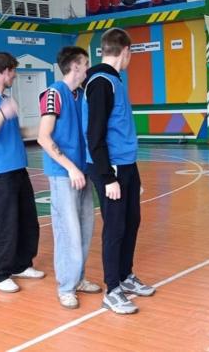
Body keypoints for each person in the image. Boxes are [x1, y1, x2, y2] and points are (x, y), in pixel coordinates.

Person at [83, 28, 155, 315]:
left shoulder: (114, 80)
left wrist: (132, 173)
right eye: (130, 54)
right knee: (114, 227)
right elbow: (95, 135)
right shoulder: (101, 83)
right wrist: (108, 177)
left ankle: (125, 276)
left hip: (125, 165)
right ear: (126, 51)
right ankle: (112, 289)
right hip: (109, 168)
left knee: (131, 221)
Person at [0, 52, 44, 293]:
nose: (15, 76)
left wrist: (43, 129)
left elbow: (13, 132)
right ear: (5, 72)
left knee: (27, 220)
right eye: (13, 71)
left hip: (18, 167)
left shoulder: (4, 98)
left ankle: (21, 264)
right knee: (7, 223)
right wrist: (1, 113)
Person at [37, 46, 102, 309]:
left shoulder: (82, 94)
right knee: (68, 231)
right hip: (64, 174)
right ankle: (66, 286)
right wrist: (71, 168)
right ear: (75, 66)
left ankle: (78, 278)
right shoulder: (54, 93)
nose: (88, 68)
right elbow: (43, 137)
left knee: (85, 228)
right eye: (85, 63)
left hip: (83, 171)